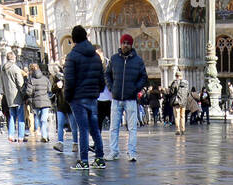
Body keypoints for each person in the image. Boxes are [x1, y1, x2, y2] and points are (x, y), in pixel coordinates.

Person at [62, 24, 106, 169]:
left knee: (83, 130)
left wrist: (67, 97)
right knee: (94, 128)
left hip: (78, 98)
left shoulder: (72, 56)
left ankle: (84, 161)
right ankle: (100, 158)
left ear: (74, 40)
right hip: (92, 97)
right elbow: (101, 78)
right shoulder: (95, 56)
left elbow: (69, 80)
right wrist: (97, 91)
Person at [106, 32, 147, 161]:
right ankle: (114, 152)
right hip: (116, 98)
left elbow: (144, 77)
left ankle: (132, 152)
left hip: (130, 99)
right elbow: (107, 74)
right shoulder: (114, 59)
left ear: (131, 45)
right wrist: (112, 88)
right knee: (113, 127)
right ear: (120, 43)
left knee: (132, 128)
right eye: (124, 43)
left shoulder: (138, 60)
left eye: (128, 43)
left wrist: (135, 89)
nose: (126, 45)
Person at [24, 61, 54, 142]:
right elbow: (49, 89)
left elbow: (28, 92)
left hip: (36, 102)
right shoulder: (45, 78)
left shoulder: (31, 80)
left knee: (41, 119)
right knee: (44, 120)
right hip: (45, 102)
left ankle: (44, 135)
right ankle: (45, 135)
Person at [1, 55, 24, 140]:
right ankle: (21, 136)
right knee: (21, 117)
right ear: (14, 58)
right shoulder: (15, 68)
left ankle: (10, 135)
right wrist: (23, 93)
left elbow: (2, 84)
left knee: (12, 117)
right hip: (17, 96)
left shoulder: (3, 69)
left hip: (9, 97)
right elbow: (20, 83)